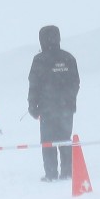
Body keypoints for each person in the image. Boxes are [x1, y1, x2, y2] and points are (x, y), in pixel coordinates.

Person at [27, 25, 80, 182]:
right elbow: (75, 83)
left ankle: (51, 174)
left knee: (48, 141)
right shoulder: (68, 58)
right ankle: (67, 172)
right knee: (65, 138)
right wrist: (69, 100)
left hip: (47, 109)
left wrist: (32, 106)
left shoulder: (39, 60)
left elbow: (33, 85)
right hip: (66, 108)